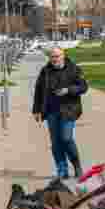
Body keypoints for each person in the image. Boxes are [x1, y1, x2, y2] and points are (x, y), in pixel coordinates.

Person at [32, 47, 88, 180]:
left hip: (69, 110)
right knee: (56, 142)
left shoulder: (74, 69)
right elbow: (38, 90)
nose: (54, 59)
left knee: (66, 138)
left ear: (63, 56)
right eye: (52, 57)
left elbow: (83, 87)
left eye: (57, 56)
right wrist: (36, 110)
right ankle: (62, 169)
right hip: (51, 111)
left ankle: (76, 164)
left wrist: (68, 90)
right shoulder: (45, 71)